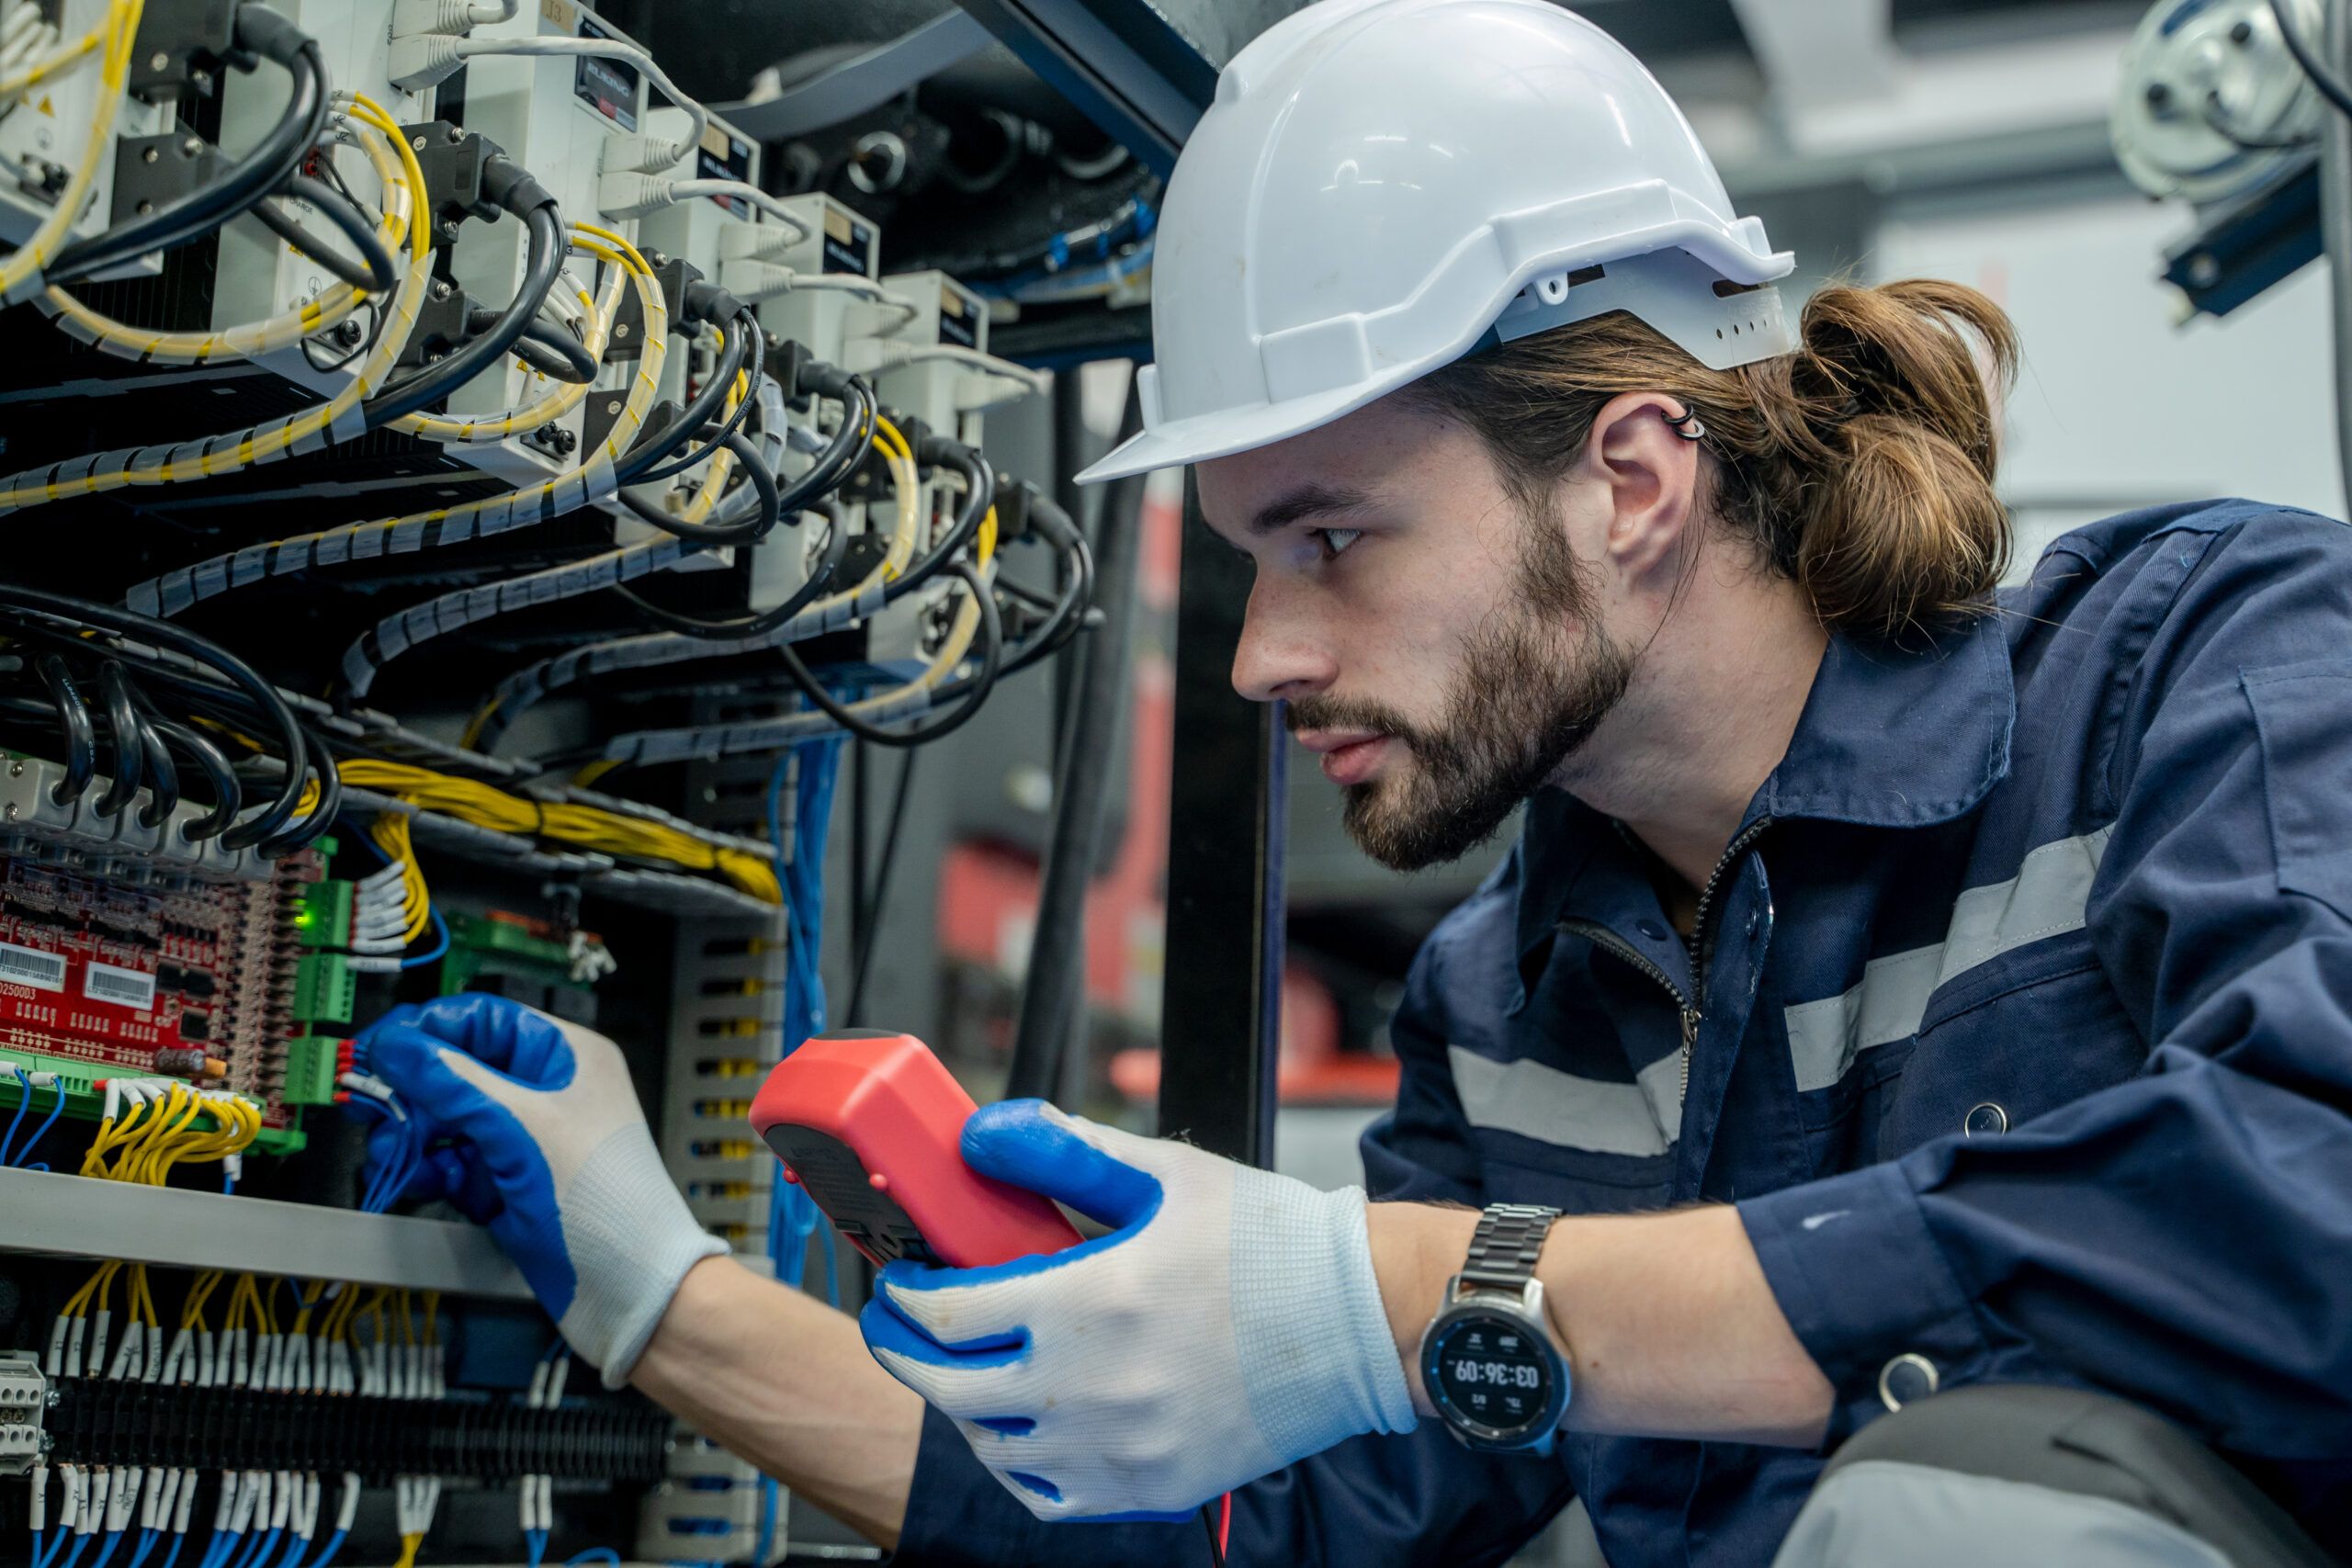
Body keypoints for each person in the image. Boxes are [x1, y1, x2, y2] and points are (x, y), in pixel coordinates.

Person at [356, 0, 2352, 1562]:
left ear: (1630, 479)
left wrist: (1382, 1284)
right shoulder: (1506, 999)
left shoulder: (2205, 663)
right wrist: (656, 1290)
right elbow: (1269, 1524)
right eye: (1241, 558)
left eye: (1329, 539)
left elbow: (2294, 1219)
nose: (1257, 653)